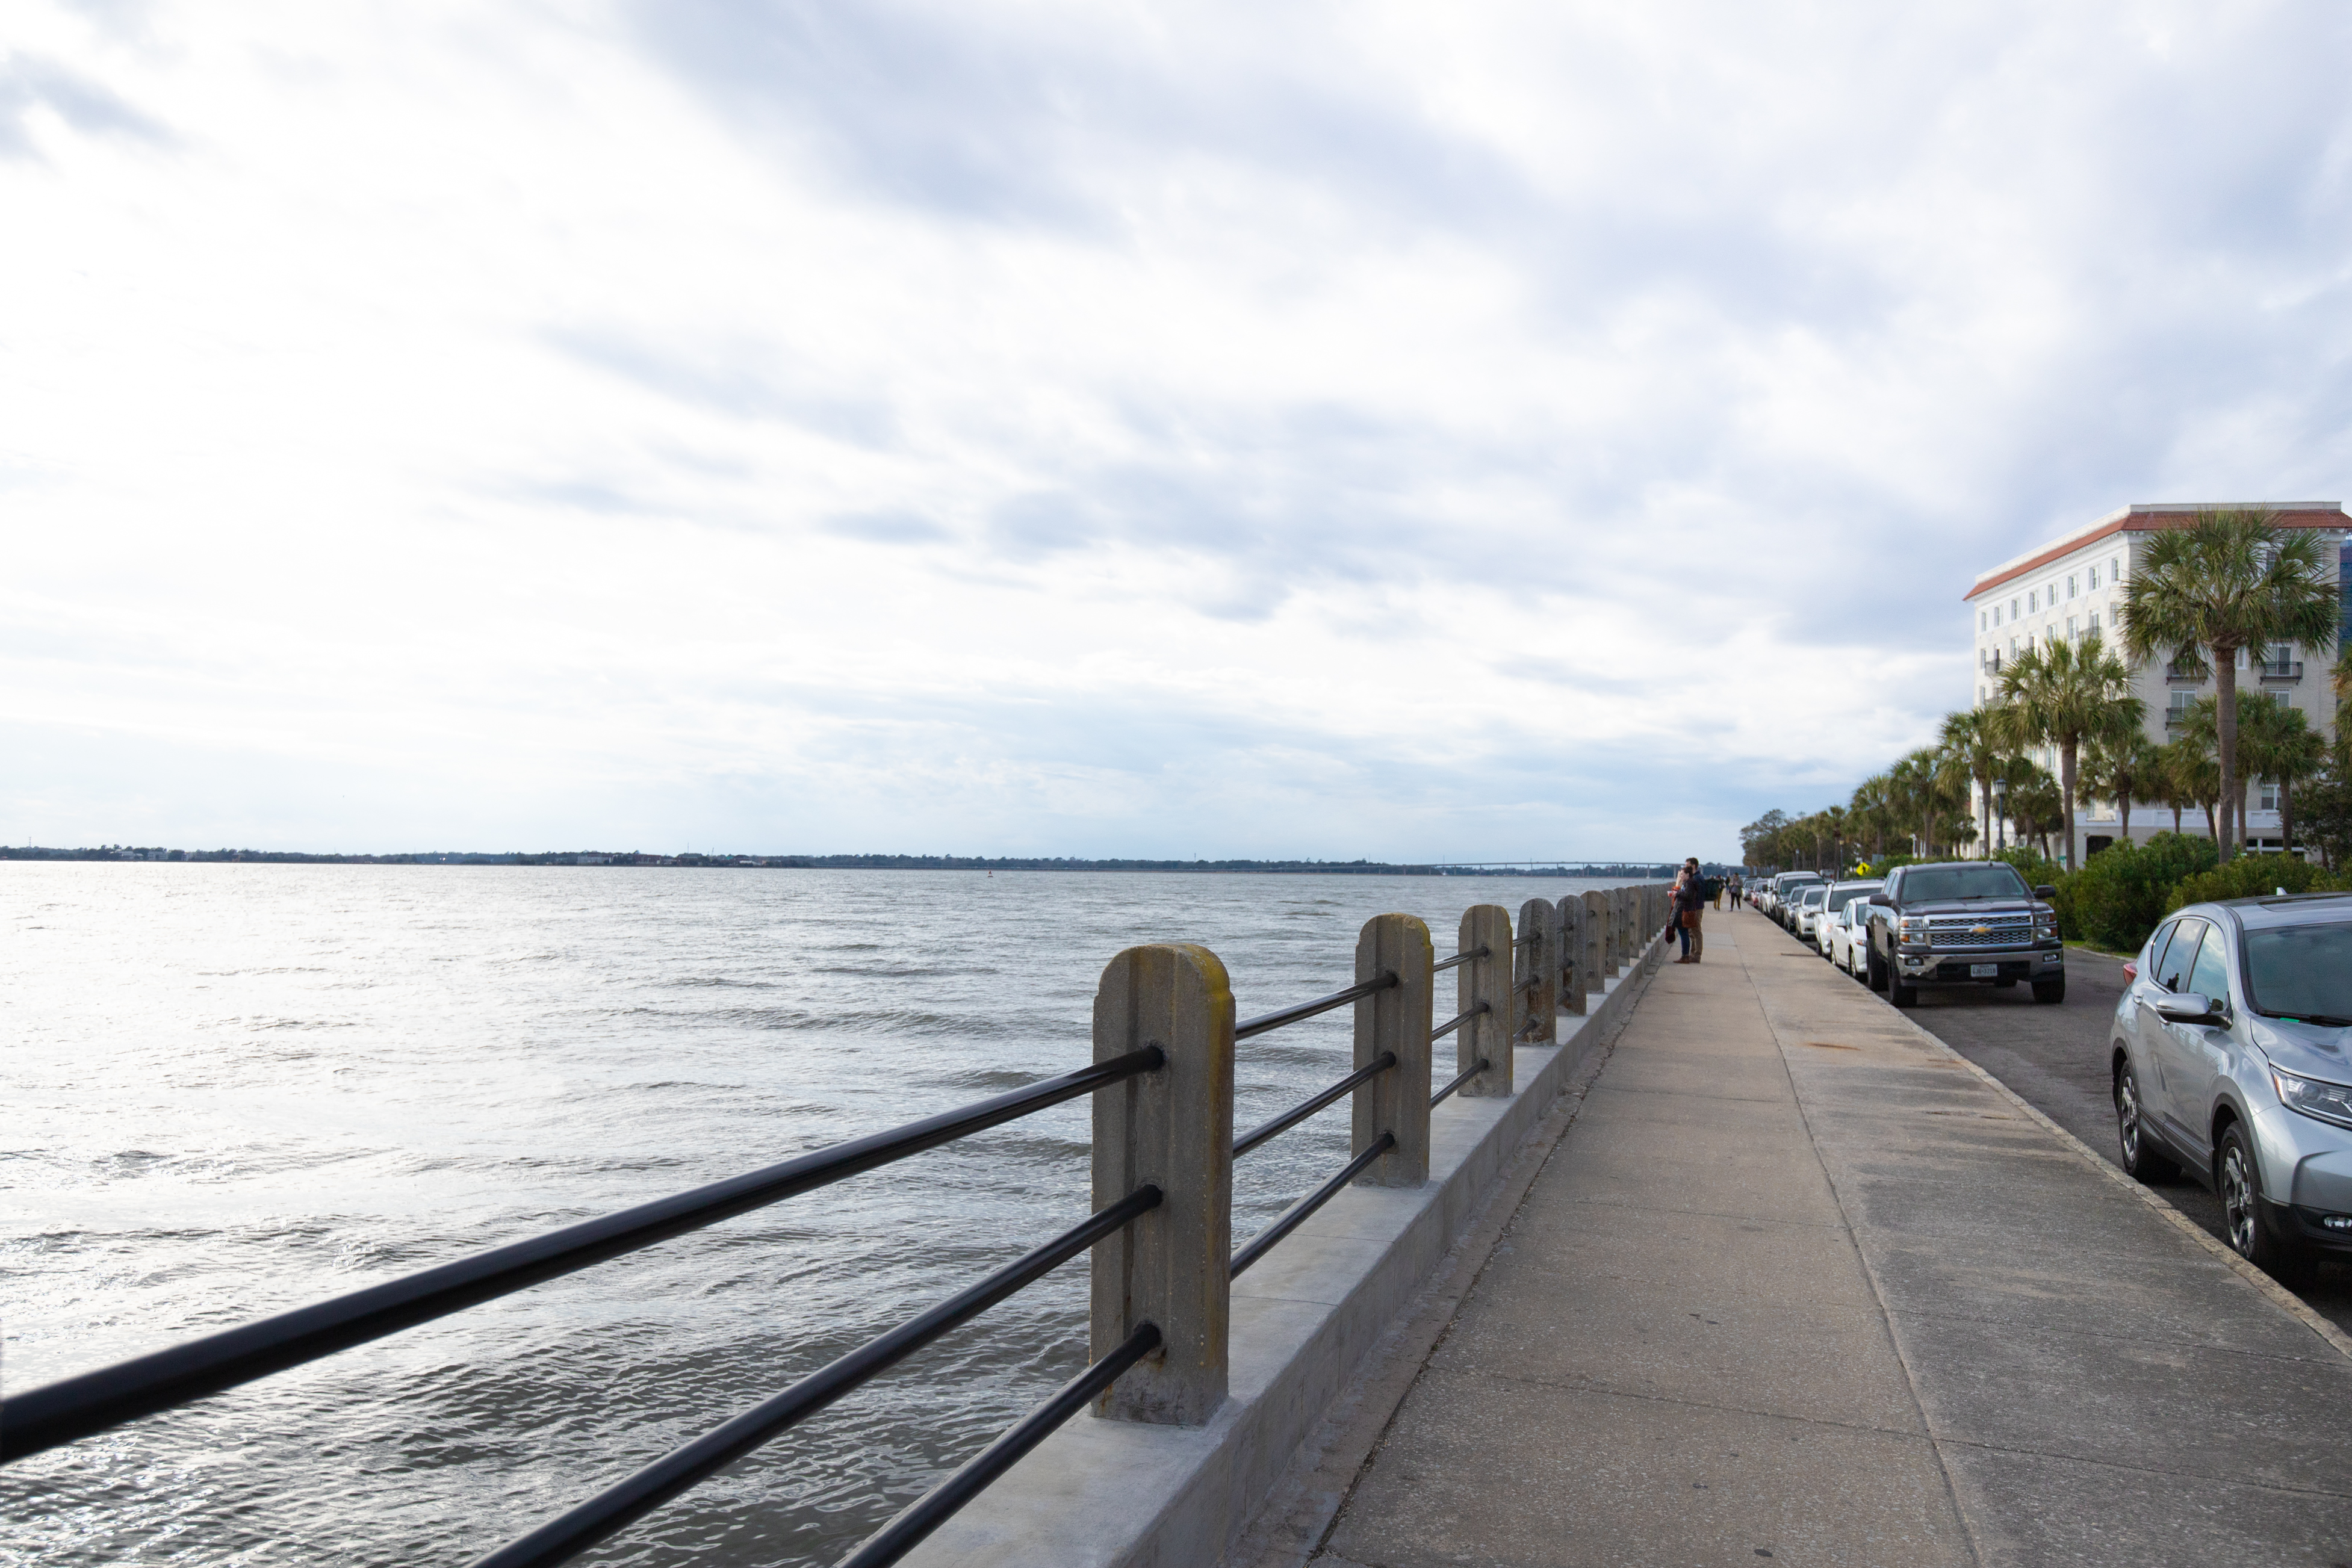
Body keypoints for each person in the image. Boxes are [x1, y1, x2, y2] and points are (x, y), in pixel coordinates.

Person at [1673, 856, 1706, 962]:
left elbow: (1694, 895)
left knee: (1696, 931)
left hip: (1696, 908)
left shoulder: (1696, 879)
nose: (1685, 868)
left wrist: (1679, 894)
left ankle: (1696, 955)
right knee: (1692, 931)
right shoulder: (1696, 878)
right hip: (1694, 907)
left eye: (1687, 866)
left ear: (1693, 866)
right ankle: (1693, 954)